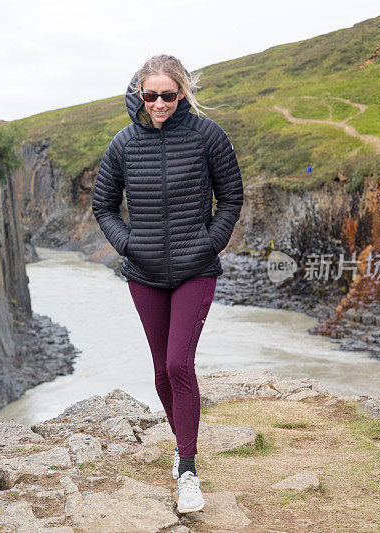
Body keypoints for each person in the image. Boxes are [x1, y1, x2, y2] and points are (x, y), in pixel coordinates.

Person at [91, 54, 244, 514]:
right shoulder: (122, 144)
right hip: (145, 273)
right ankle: (183, 453)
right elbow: (103, 206)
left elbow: (231, 197)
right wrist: (128, 245)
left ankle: (189, 469)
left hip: (195, 269)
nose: (159, 104)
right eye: (150, 95)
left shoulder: (207, 136)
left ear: (182, 94)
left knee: (180, 364)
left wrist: (208, 244)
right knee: (160, 370)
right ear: (139, 94)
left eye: (168, 95)